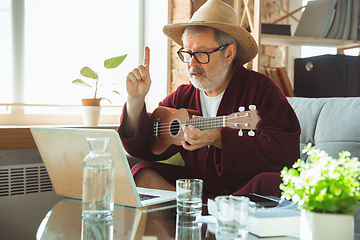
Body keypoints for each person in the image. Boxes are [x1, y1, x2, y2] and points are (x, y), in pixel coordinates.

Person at [118, 0, 300, 200]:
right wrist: (135, 100)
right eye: (187, 53)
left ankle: (206, 215)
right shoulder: (183, 96)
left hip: (241, 193)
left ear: (229, 53)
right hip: (194, 191)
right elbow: (145, 144)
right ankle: (196, 217)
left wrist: (221, 139)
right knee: (143, 174)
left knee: (271, 184)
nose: (192, 64)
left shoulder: (261, 89)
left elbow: (285, 153)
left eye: (202, 53)